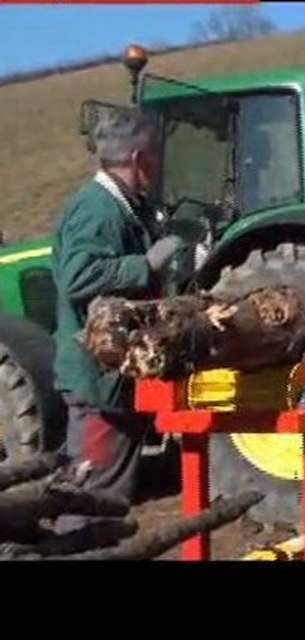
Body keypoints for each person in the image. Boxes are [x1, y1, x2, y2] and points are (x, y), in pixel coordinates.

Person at [52, 105, 184, 534]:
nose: (159, 167)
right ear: (138, 159)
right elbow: (77, 277)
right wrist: (143, 264)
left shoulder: (125, 206)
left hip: (111, 377)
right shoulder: (98, 209)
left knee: (104, 495)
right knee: (91, 501)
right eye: (157, 158)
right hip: (97, 379)